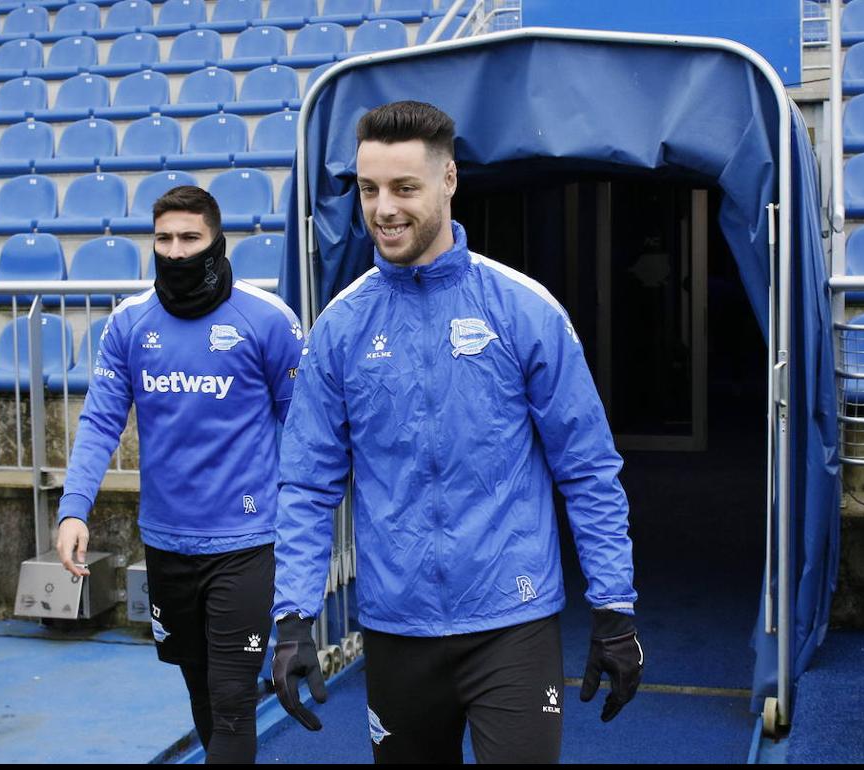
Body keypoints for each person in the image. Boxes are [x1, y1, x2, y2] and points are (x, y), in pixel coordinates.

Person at [269, 101, 644, 764]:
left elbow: (586, 468)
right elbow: (305, 483)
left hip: (512, 622)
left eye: (405, 188)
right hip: (396, 628)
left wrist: (613, 607)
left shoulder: (523, 309)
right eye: (369, 189)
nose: (383, 209)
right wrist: (292, 615)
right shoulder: (339, 328)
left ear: (449, 181)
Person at [54, 185, 304, 764]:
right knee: (200, 694)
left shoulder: (267, 320)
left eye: (189, 238)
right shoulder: (130, 323)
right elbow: (99, 422)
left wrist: (298, 524)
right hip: (166, 543)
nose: (175, 251)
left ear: (217, 240)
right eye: (163, 239)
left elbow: (303, 431)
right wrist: (74, 507)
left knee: (234, 698)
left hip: (247, 544)